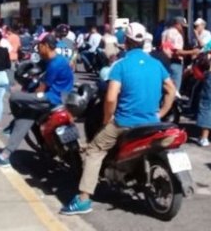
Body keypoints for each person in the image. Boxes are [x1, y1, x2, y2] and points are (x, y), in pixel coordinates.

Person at [61, 22, 176, 215]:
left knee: (94, 150)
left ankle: (83, 199)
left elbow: (111, 97)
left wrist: (107, 119)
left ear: (127, 42)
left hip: (125, 123)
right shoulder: (156, 64)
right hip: (152, 123)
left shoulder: (120, 65)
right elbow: (171, 90)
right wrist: (160, 113)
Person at [0, 34, 74, 167]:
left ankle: (14, 125)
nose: (38, 49)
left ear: (46, 46)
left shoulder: (55, 64)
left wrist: (30, 97)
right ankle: (6, 154)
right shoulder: (58, 60)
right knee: (27, 115)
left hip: (51, 99)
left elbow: (41, 89)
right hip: (63, 98)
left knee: (14, 97)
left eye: (40, 46)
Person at [161, 16, 198, 91]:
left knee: (165, 87)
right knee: (174, 89)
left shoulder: (165, 32)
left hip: (164, 62)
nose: (183, 28)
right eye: (182, 26)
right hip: (176, 62)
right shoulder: (177, 35)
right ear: (177, 24)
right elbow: (177, 51)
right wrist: (192, 52)